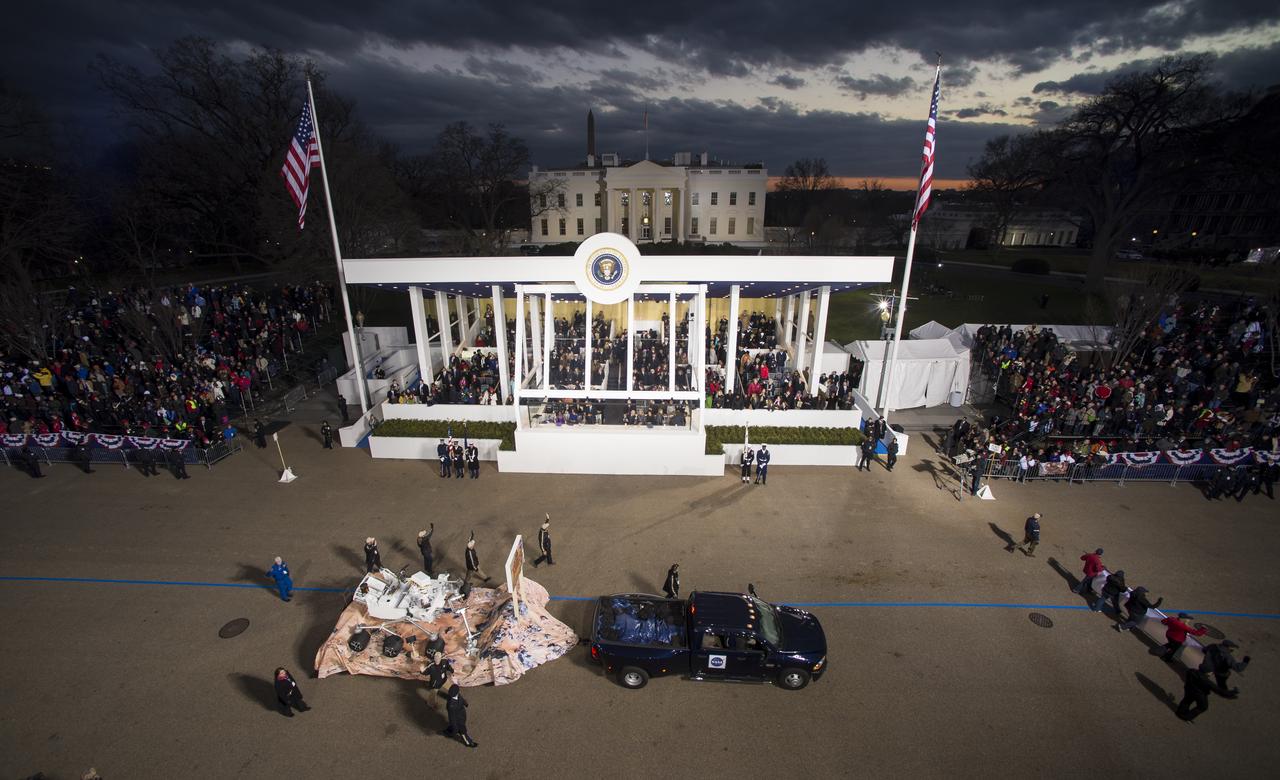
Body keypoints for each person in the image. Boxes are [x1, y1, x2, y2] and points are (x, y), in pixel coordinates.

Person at [439, 683, 477, 747]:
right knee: (463, 731)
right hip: (458, 719)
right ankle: (468, 742)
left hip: (462, 714)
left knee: (453, 728)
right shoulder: (451, 705)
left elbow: (461, 699)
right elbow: (452, 718)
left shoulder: (456, 695)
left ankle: (449, 732)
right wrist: (454, 726)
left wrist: (465, 703)